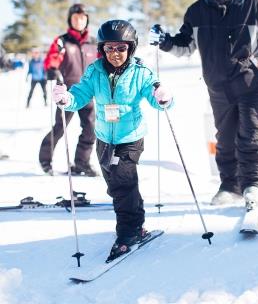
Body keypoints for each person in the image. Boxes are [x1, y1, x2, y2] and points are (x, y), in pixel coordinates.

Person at [149, 0, 258, 207]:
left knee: (252, 133)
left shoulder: (254, 4)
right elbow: (185, 46)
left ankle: (254, 184)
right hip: (218, 86)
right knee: (225, 139)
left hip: (252, 81)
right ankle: (230, 186)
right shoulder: (196, 11)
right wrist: (166, 42)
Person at [52, 19, 173, 261]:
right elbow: (80, 94)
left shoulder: (141, 73)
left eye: (121, 48)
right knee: (116, 186)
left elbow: (154, 96)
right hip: (104, 138)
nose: (115, 54)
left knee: (122, 184)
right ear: (102, 49)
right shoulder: (94, 72)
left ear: (131, 48)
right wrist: (66, 99)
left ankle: (127, 234)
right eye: (109, 48)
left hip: (130, 138)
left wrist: (163, 98)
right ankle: (137, 224)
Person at [39, 3, 98, 176]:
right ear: (70, 20)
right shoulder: (62, 41)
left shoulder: (94, 43)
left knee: (91, 128)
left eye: (82, 17)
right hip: (68, 93)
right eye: (75, 18)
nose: (79, 21)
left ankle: (82, 163)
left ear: (87, 20)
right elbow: (52, 59)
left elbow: (103, 64)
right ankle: (45, 160)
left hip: (87, 92)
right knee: (60, 127)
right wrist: (53, 70)